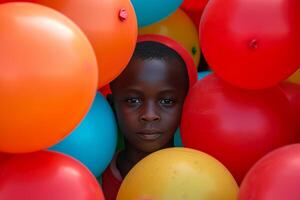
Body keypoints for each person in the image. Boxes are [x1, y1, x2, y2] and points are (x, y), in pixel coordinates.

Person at [102, 36, 197, 200]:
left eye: (167, 101)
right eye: (133, 100)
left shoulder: (200, 177)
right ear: (112, 105)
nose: (149, 115)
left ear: (186, 106)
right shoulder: (95, 180)